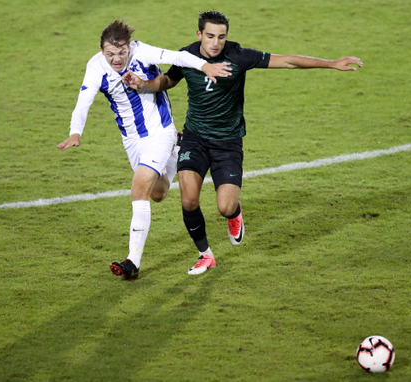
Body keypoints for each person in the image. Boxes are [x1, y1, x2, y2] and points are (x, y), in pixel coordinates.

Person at [122, 11, 363, 275]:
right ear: (199, 34)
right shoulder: (187, 56)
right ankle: (205, 254)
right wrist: (144, 85)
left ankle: (235, 213)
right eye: (210, 36)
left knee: (224, 206)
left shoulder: (238, 56)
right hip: (194, 138)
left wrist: (331, 63)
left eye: (221, 37)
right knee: (189, 200)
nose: (216, 43)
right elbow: (168, 80)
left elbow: (287, 62)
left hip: (228, 143)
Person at [57, 20, 231, 280]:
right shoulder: (95, 67)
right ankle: (176, 151)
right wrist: (75, 132)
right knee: (158, 193)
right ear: (102, 51)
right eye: (110, 54)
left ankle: (132, 262)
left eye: (121, 52)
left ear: (129, 47)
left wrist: (205, 66)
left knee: (138, 188)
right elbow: (83, 102)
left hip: (160, 133)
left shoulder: (142, 52)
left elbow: (179, 57)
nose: (116, 59)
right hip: (132, 140)